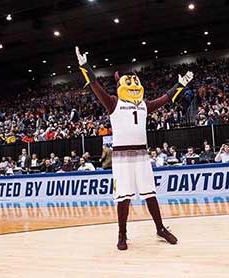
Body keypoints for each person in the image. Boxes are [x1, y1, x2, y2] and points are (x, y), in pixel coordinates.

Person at [76, 46, 193, 250]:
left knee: (150, 193)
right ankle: (122, 234)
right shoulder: (113, 103)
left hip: (141, 155)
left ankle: (160, 228)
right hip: (121, 157)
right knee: (124, 196)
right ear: (119, 83)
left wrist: (180, 85)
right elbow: (95, 87)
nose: (132, 83)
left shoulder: (144, 105)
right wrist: (85, 66)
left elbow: (165, 99)